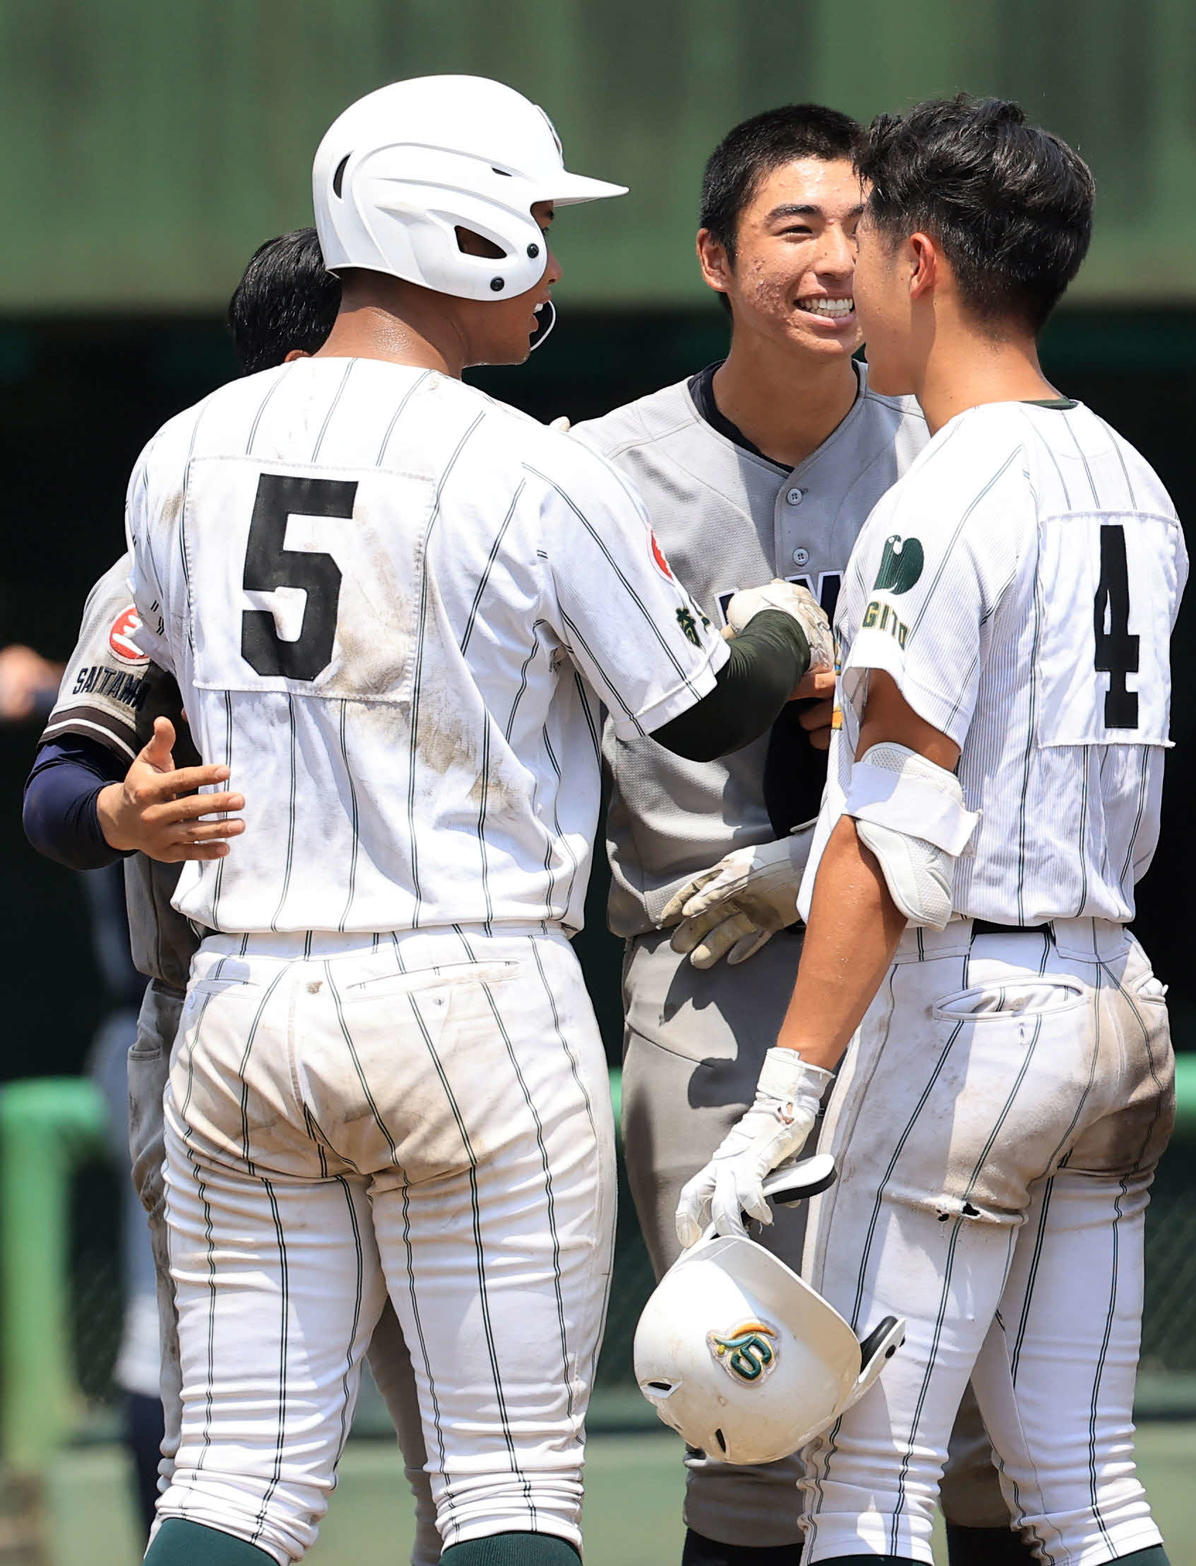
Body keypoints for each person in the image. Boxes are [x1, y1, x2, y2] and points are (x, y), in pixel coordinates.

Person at [122, 74, 829, 1566]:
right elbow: (700, 706)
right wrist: (774, 620)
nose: (551, 261)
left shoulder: (180, 449)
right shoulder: (530, 460)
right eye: (534, 222)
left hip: (242, 993)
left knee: (233, 1483)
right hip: (471, 985)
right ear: (454, 226)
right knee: (508, 1485)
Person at [679, 96, 1185, 1566]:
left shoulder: (938, 492)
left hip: (975, 1018)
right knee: (1086, 1489)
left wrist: (787, 1093)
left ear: (925, 263)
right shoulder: (1130, 479)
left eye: (867, 234)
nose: (851, 268)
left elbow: (897, 831)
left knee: (862, 1482)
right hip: (1114, 998)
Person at [574, 106, 1024, 1566]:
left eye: (859, 226)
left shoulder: (953, 453)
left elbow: (1024, 744)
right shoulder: (595, 469)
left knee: (981, 1434)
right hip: (703, 975)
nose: (837, 260)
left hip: (921, 956)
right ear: (714, 256)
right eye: (794, 227)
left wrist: (820, 844)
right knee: (747, 1404)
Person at [24, 229, 455, 1564]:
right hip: (219, 1009)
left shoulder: (471, 512)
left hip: (447, 1015)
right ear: (289, 366)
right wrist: (117, 811)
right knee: (233, 1450)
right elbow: (58, 795)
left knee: (476, 1461)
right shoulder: (168, 544)